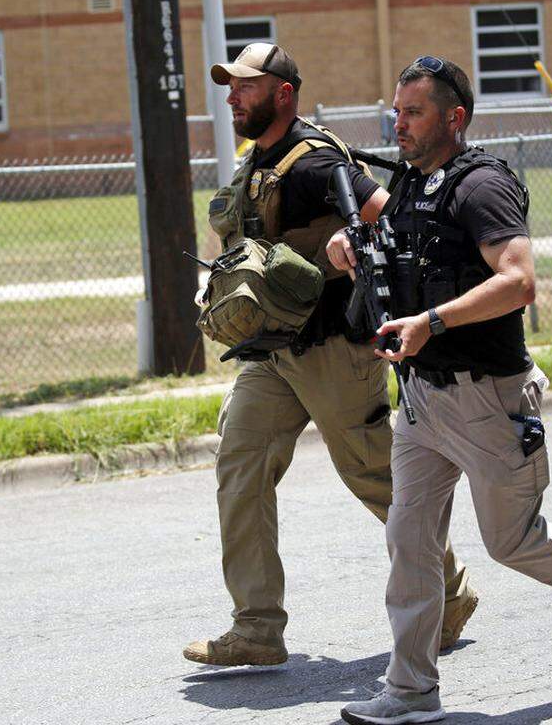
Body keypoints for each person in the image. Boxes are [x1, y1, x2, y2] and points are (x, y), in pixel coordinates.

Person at [329, 56, 552, 724]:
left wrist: (432, 321)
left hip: (489, 400)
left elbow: (519, 280)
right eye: (396, 111)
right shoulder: (416, 187)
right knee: (409, 536)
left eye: (413, 112)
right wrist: (350, 245)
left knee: (513, 541)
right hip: (424, 399)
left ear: (455, 117)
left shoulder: (482, 188)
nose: (400, 123)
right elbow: (392, 247)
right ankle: (412, 690)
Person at [182, 43, 480, 668]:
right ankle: (257, 629)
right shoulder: (256, 160)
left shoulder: (315, 161)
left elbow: (391, 218)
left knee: (377, 478)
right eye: (229, 87)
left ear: (282, 94)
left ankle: (448, 597)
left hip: (333, 353)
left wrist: (357, 238)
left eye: (246, 87)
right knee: (240, 467)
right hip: (271, 355)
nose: (233, 97)